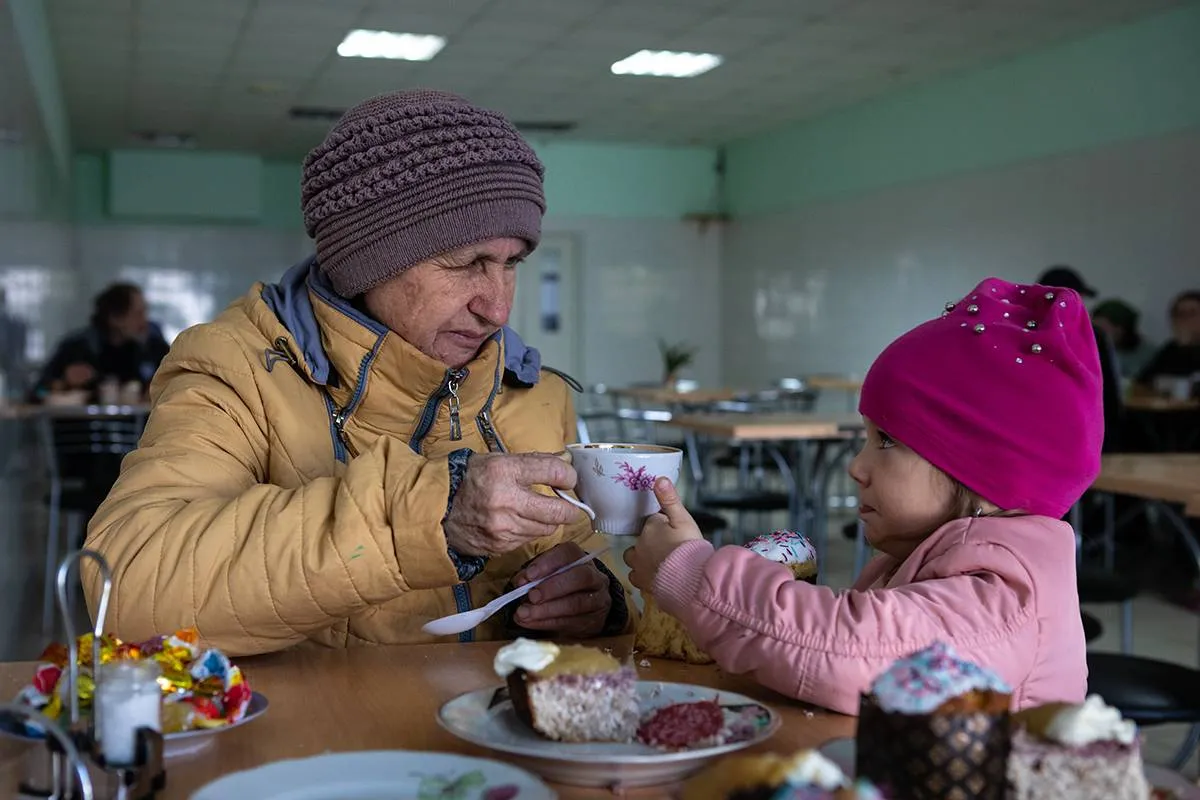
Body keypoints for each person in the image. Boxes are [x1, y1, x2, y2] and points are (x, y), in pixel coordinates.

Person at [83, 90, 627, 656]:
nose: (498, 308)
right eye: (468, 264)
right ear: (368, 263)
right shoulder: (236, 370)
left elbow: (590, 563)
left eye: (512, 263)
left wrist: (600, 602)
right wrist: (427, 517)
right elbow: (124, 587)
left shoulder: (534, 392)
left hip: (499, 736)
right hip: (317, 739)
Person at [626, 278, 1100, 715]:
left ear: (981, 471)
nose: (856, 467)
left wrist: (688, 573)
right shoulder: (931, 554)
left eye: (887, 441)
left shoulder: (1002, 591)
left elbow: (851, 650)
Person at [31, 283, 170, 401]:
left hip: (143, 430)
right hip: (84, 430)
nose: (144, 321)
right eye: (137, 314)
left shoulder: (154, 349)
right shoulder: (76, 349)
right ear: (115, 318)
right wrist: (63, 383)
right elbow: (36, 393)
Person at [1037, 265, 1123, 452]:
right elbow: (1108, 391)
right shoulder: (1090, 335)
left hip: (1039, 436)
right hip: (1086, 434)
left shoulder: (1026, 331)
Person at [1135, 290, 1200, 393]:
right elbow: (1143, 380)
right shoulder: (1171, 347)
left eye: (1192, 314)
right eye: (1180, 314)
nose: (1184, 319)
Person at [1092, 299, 1157, 380]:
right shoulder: (1091, 346)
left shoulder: (1149, 352)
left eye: (1103, 328)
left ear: (1121, 329)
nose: (1096, 334)